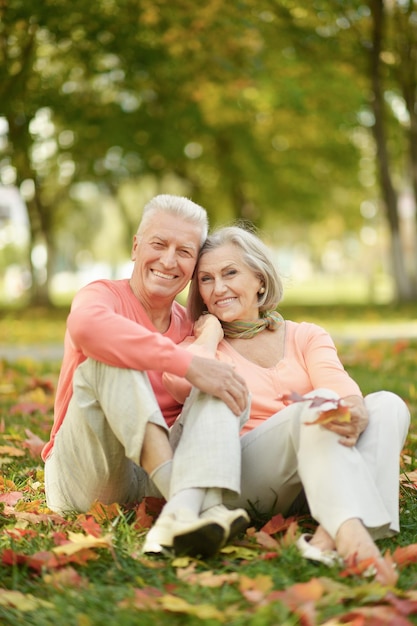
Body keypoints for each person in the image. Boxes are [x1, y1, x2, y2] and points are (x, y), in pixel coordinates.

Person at [162, 225, 410, 585]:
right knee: (317, 405)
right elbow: (179, 380)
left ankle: (329, 534)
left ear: (260, 280)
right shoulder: (199, 349)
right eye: (206, 279)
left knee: (387, 405)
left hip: (320, 475)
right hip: (247, 479)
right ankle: (357, 539)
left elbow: (342, 389)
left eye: (230, 273)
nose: (218, 289)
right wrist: (211, 333)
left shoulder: (305, 335)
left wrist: (354, 409)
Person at [42, 195, 250, 558]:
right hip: (86, 476)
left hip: (148, 486)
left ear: (193, 264)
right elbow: (85, 327)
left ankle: (188, 510)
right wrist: (184, 363)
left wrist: (210, 333)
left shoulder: (191, 324)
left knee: (218, 382)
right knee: (105, 360)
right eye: (159, 244)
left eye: (184, 252)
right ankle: (189, 501)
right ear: (136, 247)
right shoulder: (102, 297)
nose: (169, 260)